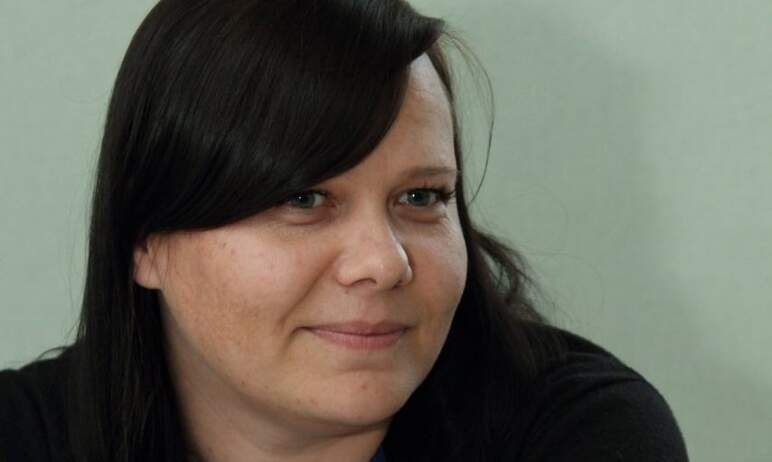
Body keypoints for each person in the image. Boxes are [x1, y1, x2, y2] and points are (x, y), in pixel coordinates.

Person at [0, 1, 689, 461]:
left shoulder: (580, 433)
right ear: (145, 240)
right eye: (303, 198)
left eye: (421, 196)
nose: (383, 263)